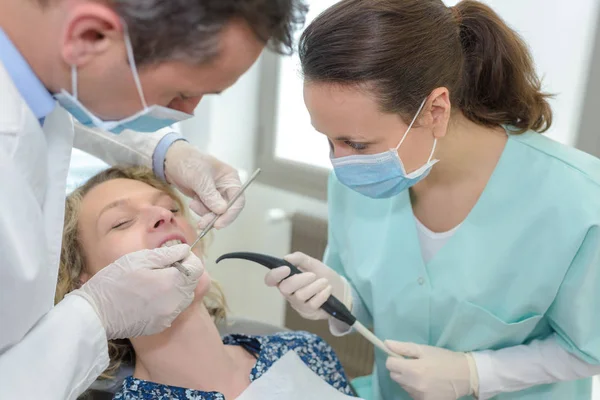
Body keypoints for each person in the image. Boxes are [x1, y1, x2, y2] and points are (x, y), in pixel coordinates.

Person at [264, 0, 600, 399]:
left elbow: (589, 348)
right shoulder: (358, 182)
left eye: (356, 142)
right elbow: (374, 299)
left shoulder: (577, 199)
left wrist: (476, 373)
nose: (340, 161)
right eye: (329, 139)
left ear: (436, 109)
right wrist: (339, 295)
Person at [0, 0, 307, 398]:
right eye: (179, 92)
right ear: (90, 35)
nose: (186, 113)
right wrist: (95, 315)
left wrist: (168, 151)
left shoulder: (297, 352)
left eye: (168, 206)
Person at [55, 165, 353, 399]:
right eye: (121, 222)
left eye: (172, 208)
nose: (163, 215)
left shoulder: (303, 350)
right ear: (87, 284)